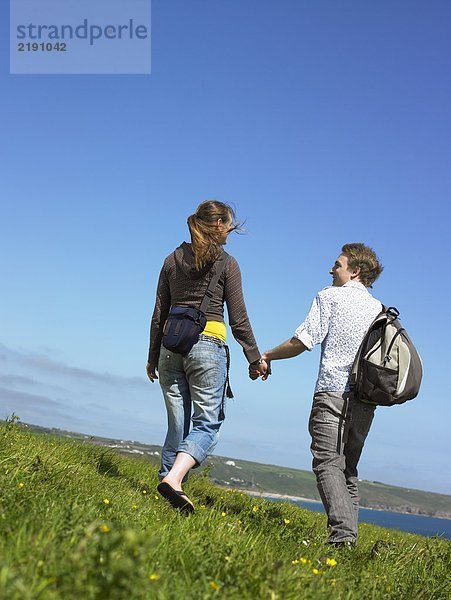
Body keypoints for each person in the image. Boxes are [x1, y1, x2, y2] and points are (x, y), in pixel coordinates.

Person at [252, 243, 383, 546]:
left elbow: (302, 341)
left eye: (337, 264)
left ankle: (342, 537)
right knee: (347, 469)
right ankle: (349, 540)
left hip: (333, 391)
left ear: (355, 271)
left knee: (326, 462)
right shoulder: (379, 309)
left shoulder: (330, 296)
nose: (331, 269)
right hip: (366, 400)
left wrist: (268, 355)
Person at [147, 200, 267, 513]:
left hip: (169, 348)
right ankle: (173, 479)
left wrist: (151, 356)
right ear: (217, 225)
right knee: (207, 424)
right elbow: (238, 318)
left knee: (177, 424)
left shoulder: (171, 259)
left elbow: (159, 313)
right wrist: (255, 358)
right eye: (228, 224)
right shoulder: (227, 263)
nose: (230, 230)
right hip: (207, 345)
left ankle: (167, 481)